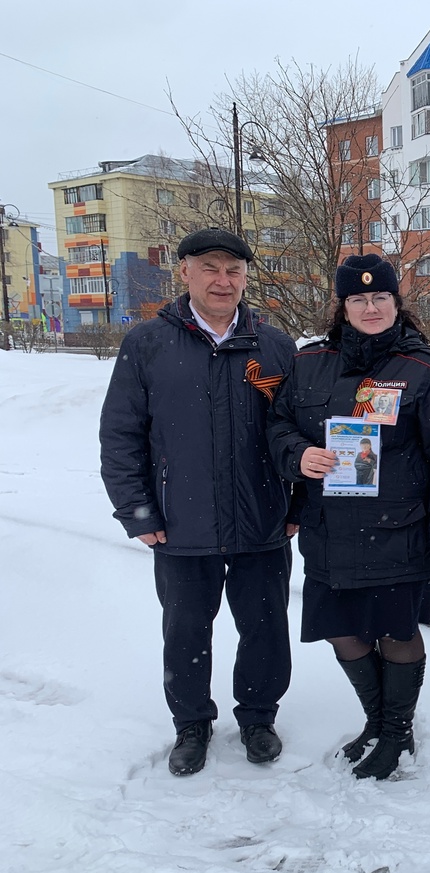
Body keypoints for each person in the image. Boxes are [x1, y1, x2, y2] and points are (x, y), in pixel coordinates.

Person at [100, 227, 296, 777]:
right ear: (183, 271)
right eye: (210, 268)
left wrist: (297, 507)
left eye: (233, 271)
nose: (222, 280)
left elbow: (298, 434)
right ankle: (191, 724)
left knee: (264, 624)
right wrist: (136, 508)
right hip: (180, 523)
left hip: (261, 521)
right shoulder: (148, 344)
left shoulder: (274, 346)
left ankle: (258, 717)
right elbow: (121, 434)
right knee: (186, 629)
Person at [267, 254, 430, 780]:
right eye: (359, 299)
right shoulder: (309, 363)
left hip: (398, 529)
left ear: (397, 303)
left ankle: (396, 734)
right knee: (342, 631)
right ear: (343, 306)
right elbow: (279, 425)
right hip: (328, 529)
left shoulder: (424, 368)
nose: (371, 306)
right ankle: (378, 721)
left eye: (380, 297)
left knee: (396, 632)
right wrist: (299, 455)